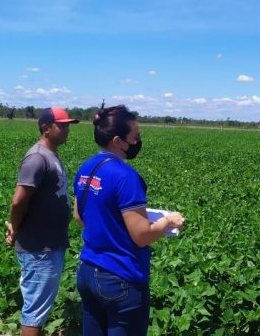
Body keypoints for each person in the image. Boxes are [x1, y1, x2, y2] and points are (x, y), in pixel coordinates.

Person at [73, 104, 184, 336]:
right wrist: (168, 221)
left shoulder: (86, 168)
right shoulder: (126, 177)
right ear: (117, 140)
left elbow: (79, 218)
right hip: (120, 277)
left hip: (87, 271)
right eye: (134, 137)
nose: (137, 142)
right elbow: (142, 236)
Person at [5, 107, 79, 336]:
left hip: (48, 244)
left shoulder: (50, 154)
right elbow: (18, 202)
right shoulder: (37, 158)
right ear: (46, 128)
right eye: (62, 125)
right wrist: (15, 227)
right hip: (39, 248)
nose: (67, 129)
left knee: (38, 308)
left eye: (68, 125)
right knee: (35, 311)